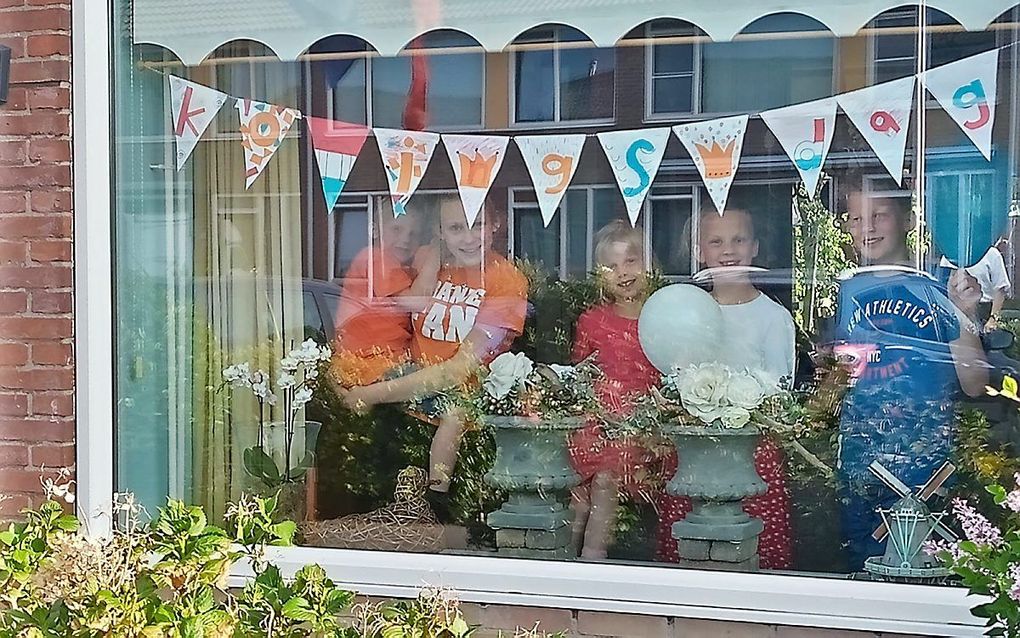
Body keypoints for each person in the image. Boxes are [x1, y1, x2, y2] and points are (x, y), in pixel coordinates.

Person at [335, 196, 528, 522]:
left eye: (478, 225)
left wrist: (367, 395)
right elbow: (386, 311)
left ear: (495, 226)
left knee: (454, 418)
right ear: (440, 232)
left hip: (458, 398)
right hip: (406, 399)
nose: (468, 237)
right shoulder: (427, 260)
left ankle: (437, 497)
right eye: (456, 228)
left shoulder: (506, 281)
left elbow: (457, 371)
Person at [832, 192, 988, 570]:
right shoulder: (849, 287)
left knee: (925, 566)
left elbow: (975, 382)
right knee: (862, 567)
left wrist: (965, 315)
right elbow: (843, 373)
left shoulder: (940, 285)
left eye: (879, 215)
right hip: (860, 463)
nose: (866, 227)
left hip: (925, 465)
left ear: (908, 220)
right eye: (855, 218)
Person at [655, 205, 794, 570]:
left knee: (751, 545)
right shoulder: (686, 312)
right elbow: (673, 374)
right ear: (701, 252)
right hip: (695, 453)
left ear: (755, 248)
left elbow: (781, 391)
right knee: (692, 544)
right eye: (716, 242)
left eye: (738, 240)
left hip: (751, 453)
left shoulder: (773, 317)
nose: (728, 251)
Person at [568, 220, 666, 559]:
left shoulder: (663, 315)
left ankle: (591, 565)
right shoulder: (593, 320)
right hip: (599, 422)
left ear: (648, 263)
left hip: (645, 425)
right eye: (611, 265)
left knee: (607, 482)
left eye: (631, 260)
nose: (622, 272)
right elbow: (581, 372)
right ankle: (560, 570)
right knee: (580, 500)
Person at [331, 205, 424, 387]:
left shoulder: (392, 265)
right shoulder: (377, 258)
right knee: (433, 389)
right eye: (397, 229)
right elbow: (416, 302)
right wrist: (433, 260)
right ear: (375, 230)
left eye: (414, 234)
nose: (405, 239)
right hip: (374, 361)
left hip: (365, 360)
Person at [939, 244, 1010, 331]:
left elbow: (1000, 289)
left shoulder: (992, 254)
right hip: (956, 310)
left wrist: (993, 319)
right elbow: (942, 286)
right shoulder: (950, 255)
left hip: (984, 312)